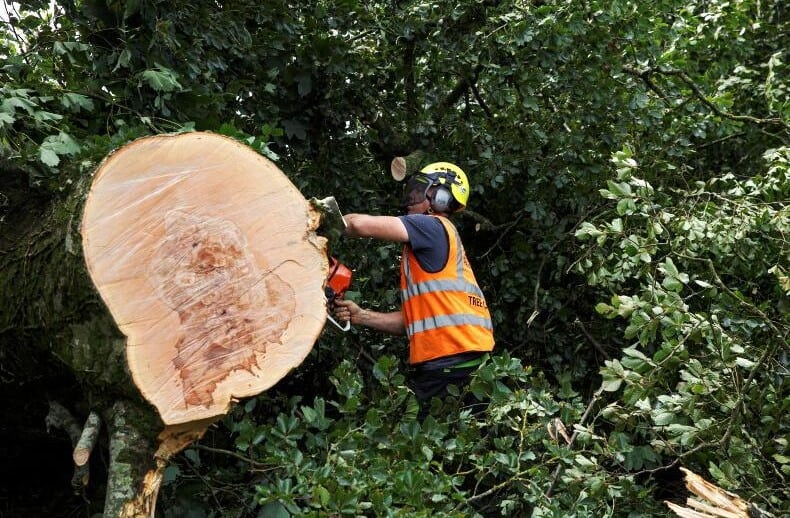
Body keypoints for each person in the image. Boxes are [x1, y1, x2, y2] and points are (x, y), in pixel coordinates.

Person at [334, 162, 495, 420]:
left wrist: (322, 220)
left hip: (448, 367)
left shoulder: (432, 226)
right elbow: (415, 323)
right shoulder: (436, 241)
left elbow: (359, 226)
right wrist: (361, 315)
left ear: (440, 199)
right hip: (462, 366)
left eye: (421, 190)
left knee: (410, 440)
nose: (411, 197)